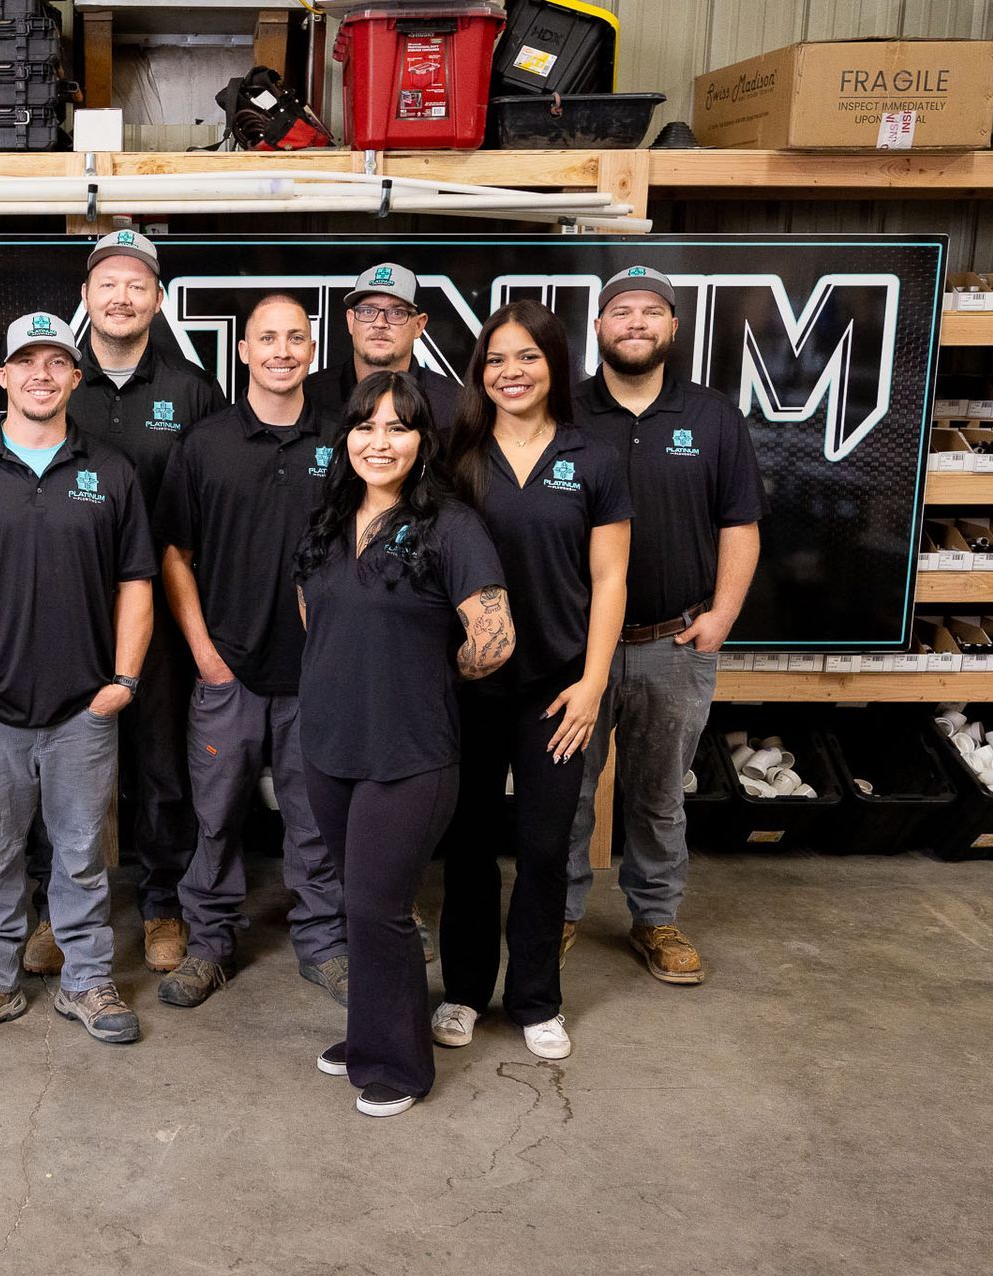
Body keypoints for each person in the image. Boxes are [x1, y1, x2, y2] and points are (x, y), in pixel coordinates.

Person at [0, 311, 157, 1047]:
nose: (42, 375)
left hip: (83, 707)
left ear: (76, 378)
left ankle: (85, 981)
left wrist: (123, 678)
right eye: (27, 361)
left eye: (57, 362)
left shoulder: (110, 470)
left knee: (83, 852)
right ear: (3, 375)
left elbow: (136, 582)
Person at [295, 369, 512, 1118]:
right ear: (346, 437)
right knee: (358, 901)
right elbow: (313, 619)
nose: (378, 440)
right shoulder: (326, 522)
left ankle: (400, 1064)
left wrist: (424, 668)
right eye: (365, 425)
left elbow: (495, 638)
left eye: (398, 427)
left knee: (380, 905)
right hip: (328, 746)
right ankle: (368, 1034)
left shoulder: (450, 525)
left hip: (411, 751)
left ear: (423, 442)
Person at [17, 229, 227, 978]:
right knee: (59, 768)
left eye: (138, 284)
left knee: (162, 765)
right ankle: (56, 909)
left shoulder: (193, 390)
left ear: (158, 299)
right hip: (63, 612)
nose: (122, 296)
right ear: (86, 296)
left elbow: (210, 508)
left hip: (163, 614)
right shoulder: (52, 382)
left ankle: (162, 902)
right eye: (108, 282)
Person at [431, 300, 630, 1062]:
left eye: (527, 357)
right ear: (481, 373)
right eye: (496, 360)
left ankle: (537, 997)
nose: (510, 372)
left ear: (554, 365)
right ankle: (463, 991)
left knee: (547, 845)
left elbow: (610, 579)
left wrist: (592, 683)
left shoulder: (594, 456)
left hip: (558, 690)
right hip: (471, 688)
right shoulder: (457, 456)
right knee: (471, 843)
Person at [563, 266, 766, 985]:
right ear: (599, 328)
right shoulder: (566, 412)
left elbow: (740, 523)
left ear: (673, 328)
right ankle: (558, 913)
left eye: (652, 312)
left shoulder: (712, 416)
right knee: (566, 790)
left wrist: (722, 616)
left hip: (670, 644)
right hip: (575, 647)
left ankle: (655, 917)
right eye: (622, 311)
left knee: (657, 792)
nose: (637, 323)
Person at [153, 294, 346, 1009]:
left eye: (296, 337)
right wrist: (204, 648)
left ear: (313, 348)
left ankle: (323, 943)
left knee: (316, 818)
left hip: (316, 675)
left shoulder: (343, 438)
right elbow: (175, 552)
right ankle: (208, 944)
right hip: (227, 671)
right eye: (268, 338)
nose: (282, 350)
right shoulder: (206, 443)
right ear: (243, 350)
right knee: (216, 816)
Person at [303, 262, 461, 430]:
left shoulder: (453, 404)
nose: (380, 323)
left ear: (419, 326)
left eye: (396, 313)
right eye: (367, 311)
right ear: (351, 320)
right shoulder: (309, 396)